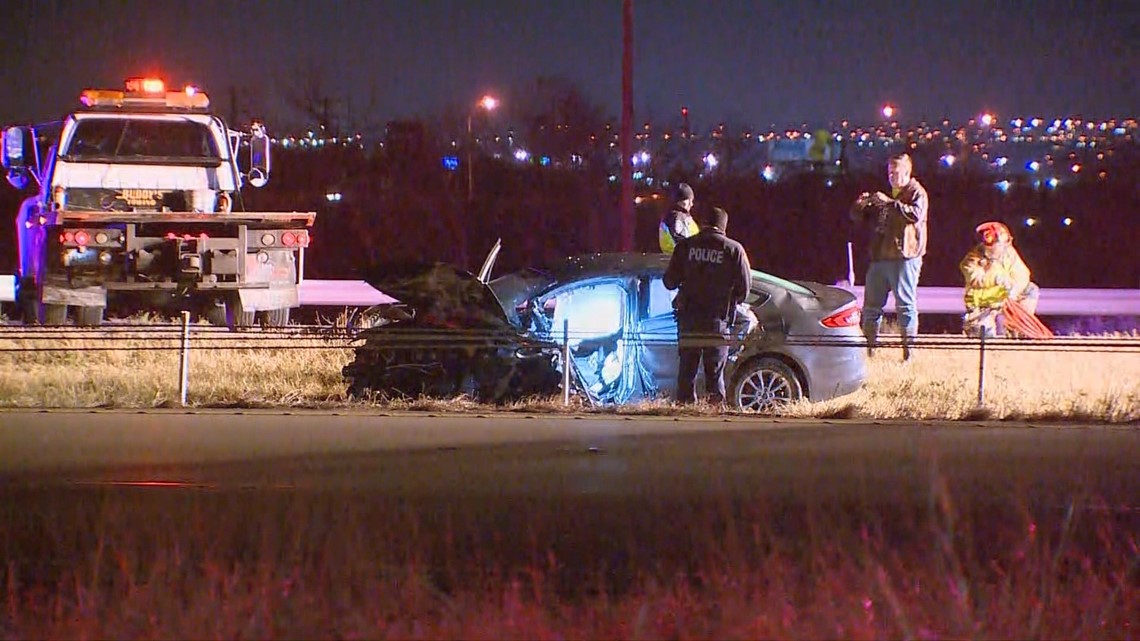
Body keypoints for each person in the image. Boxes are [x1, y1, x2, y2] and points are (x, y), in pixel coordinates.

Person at [663, 206, 751, 407]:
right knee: (715, 375)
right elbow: (744, 289)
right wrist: (728, 300)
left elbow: (669, 281)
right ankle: (714, 417)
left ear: (702, 224)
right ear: (723, 227)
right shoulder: (734, 250)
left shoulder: (685, 247)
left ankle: (684, 413)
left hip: (689, 319)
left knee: (687, 372)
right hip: (717, 321)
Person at [849, 152, 928, 360]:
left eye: (896, 172)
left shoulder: (916, 193)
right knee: (871, 307)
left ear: (907, 172)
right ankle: (869, 351)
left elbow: (915, 215)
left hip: (905, 257)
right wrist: (861, 206)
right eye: (890, 172)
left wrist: (889, 204)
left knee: (905, 306)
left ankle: (909, 354)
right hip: (880, 256)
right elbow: (861, 220)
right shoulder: (886, 194)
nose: (891, 176)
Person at [960, 221, 1040, 338]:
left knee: (1030, 289)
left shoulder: (1010, 254)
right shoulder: (972, 259)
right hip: (983, 305)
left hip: (1007, 300)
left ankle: (1017, 327)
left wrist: (1014, 290)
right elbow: (974, 279)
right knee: (984, 339)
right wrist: (996, 277)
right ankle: (975, 326)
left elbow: (1022, 275)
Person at [658, 182, 700, 255]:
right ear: (681, 201)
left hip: (678, 258)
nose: (691, 204)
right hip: (681, 260)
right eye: (689, 200)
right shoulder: (676, 217)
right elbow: (680, 240)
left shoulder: (677, 216)